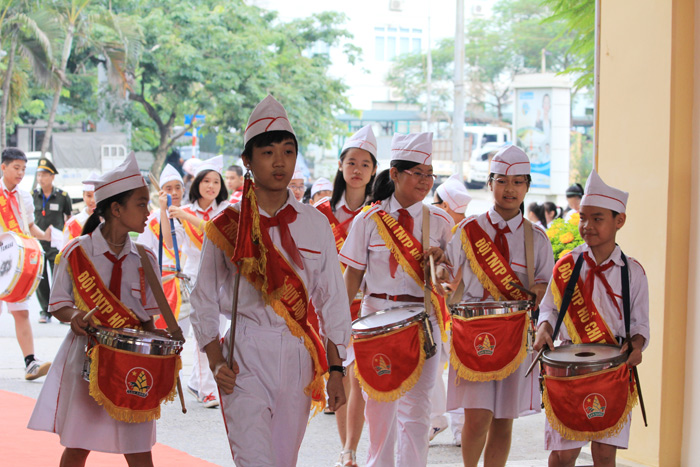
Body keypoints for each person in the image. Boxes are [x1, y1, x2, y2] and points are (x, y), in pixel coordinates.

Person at [190, 95, 351, 466]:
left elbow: (332, 301)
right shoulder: (225, 227)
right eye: (267, 152)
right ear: (247, 160)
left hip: (297, 355)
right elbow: (203, 299)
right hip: (244, 354)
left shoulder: (315, 223)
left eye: (288, 151)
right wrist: (216, 363)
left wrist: (338, 370)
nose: (280, 162)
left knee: (283, 461)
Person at [27, 152, 165, 466]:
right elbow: (60, 304)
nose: (148, 211)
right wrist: (75, 317)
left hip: (131, 365)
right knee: (78, 444)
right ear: (116, 209)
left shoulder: (145, 260)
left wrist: (160, 345)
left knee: (139, 446)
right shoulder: (77, 252)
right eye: (142, 204)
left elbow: (149, 318)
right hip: (87, 362)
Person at [339, 132, 453, 467]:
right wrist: (339, 327)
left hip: (423, 320)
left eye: (429, 174)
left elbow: (450, 282)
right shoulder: (369, 219)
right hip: (376, 320)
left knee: (418, 409)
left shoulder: (442, 222)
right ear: (394, 174)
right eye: (417, 173)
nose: (425, 181)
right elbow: (353, 276)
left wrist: (442, 265)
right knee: (380, 408)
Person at [437, 145, 554, 467]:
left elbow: (547, 286)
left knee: (504, 420)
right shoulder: (467, 231)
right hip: (475, 334)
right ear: (490, 184)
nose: (510, 189)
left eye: (518, 182)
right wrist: (439, 269)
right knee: (477, 419)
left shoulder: (537, 239)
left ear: (527, 187)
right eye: (502, 181)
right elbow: (447, 270)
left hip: (515, 338)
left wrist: (538, 290)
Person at [534, 170, 648, 467]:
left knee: (604, 455)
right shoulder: (566, 265)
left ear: (618, 221)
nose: (587, 226)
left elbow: (640, 324)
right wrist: (543, 329)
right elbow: (548, 310)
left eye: (597, 218)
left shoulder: (632, 271)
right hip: (568, 371)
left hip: (612, 372)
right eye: (583, 218)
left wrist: (636, 346)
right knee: (562, 456)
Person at [315, 124, 377, 467]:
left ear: (374, 171)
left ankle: (350, 448)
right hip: (330, 309)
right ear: (340, 166)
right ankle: (347, 448)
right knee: (340, 378)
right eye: (352, 162)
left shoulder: (378, 213)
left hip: (368, 308)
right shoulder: (321, 212)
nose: (357, 170)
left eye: (365, 164)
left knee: (359, 378)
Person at [168, 155, 228, 409]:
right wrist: (167, 212)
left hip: (223, 281)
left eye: (216, 181)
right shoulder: (185, 211)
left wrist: (184, 215)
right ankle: (206, 389)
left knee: (221, 335)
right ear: (197, 184)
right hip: (193, 280)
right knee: (205, 335)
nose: (211, 186)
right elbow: (172, 240)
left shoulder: (226, 211)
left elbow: (214, 232)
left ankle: (199, 382)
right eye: (206, 181)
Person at [0, 148, 53, 380]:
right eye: (16, 168)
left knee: (21, 313)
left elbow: (29, 227)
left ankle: (30, 362)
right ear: (3, 167)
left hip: (16, 264)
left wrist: (45, 235)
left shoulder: (24, 196)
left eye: (23, 169)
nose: (21, 173)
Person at [429, 172, 472, 445]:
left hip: (451, 311)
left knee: (438, 369)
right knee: (451, 371)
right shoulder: (466, 229)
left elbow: (452, 281)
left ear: (445, 205)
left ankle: (444, 423)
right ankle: (456, 428)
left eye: (435, 200)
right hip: (454, 312)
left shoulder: (454, 233)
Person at [136, 164, 188, 331]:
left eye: (177, 187)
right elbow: (142, 251)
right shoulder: (153, 219)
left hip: (188, 282)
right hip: (163, 281)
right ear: (161, 192)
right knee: (165, 333)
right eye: (168, 188)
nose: (174, 192)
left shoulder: (190, 215)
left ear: (184, 189)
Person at [33, 158, 73, 323]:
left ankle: (61, 311)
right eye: (39, 175)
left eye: (44, 175)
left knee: (59, 278)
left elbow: (69, 218)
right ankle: (45, 311)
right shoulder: (33, 196)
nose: (41, 179)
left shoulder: (63, 196)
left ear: (52, 177)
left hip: (56, 244)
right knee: (40, 278)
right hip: (38, 243)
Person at [63, 173, 98, 245]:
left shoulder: (110, 221)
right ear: (83, 196)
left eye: (96, 195)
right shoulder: (72, 224)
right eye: (89, 195)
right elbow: (64, 253)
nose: (93, 200)